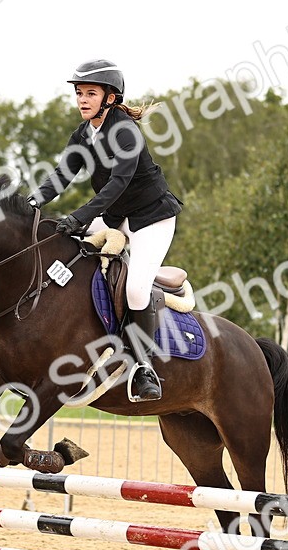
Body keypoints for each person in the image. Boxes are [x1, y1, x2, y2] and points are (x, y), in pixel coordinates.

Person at [29, 59, 182, 403]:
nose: (82, 100)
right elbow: (61, 175)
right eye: (79, 93)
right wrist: (32, 202)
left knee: (136, 290)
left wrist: (79, 217)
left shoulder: (126, 132)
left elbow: (117, 184)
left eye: (90, 94)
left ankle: (144, 368)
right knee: (65, 250)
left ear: (110, 98)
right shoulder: (83, 134)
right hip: (116, 217)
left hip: (151, 219)